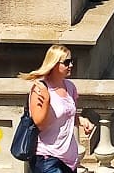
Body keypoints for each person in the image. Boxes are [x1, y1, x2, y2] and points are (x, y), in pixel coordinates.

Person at [18, 45, 94, 173]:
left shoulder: (70, 87)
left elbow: (67, 115)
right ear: (53, 64)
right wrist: (47, 100)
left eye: (71, 61)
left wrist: (81, 120)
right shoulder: (40, 89)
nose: (71, 65)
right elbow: (40, 124)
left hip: (69, 158)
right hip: (47, 158)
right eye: (66, 62)